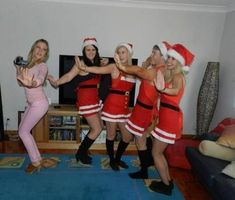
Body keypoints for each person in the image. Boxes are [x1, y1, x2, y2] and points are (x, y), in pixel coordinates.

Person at [115, 41, 172, 179]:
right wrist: (149, 60)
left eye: (154, 53)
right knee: (131, 136)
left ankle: (143, 170)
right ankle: (126, 161)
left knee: (139, 141)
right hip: (143, 109)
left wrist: (121, 65)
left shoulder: (157, 71)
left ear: (162, 56)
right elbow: (144, 67)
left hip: (143, 111)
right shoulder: (160, 68)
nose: (151, 54)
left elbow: (139, 71)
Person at [75, 43, 136, 171]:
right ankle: (112, 160)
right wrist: (84, 68)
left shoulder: (133, 68)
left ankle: (118, 159)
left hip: (124, 108)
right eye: (118, 52)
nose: (120, 54)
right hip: (112, 106)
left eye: (123, 52)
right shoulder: (113, 66)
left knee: (127, 136)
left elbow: (146, 75)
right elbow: (98, 70)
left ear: (129, 54)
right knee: (111, 135)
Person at [48, 37, 107, 165]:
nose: (91, 52)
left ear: (96, 51)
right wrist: (57, 82)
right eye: (88, 49)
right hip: (86, 100)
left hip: (95, 99)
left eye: (93, 49)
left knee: (100, 126)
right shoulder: (81, 63)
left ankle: (83, 151)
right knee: (96, 129)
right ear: (84, 51)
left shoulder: (97, 63)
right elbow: (69, 76)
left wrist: (105, 63)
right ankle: (80, 152)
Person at [149, 43, 195, 195]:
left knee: (156, 153)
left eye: (173, 59)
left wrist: (163, 89)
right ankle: (167, 180)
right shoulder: (170, 74)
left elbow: (175, 91)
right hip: (166, 117)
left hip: (170, 119)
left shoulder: (178, 76)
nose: (169, 61)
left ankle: (166, 186)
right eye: (168, 57)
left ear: (180, 63)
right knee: (159, 152)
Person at [16, 39, 58, 173]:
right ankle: (37, 159)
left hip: (40, 104)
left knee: (23, 132)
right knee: (24, 131)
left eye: (44, 49)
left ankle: (35, 162)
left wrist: (32, 82)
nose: (40, 51)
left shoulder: (42, 66)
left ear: (46, 54)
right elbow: (21, 83)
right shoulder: (28, 65)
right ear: (33, 49)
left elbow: (39, 80)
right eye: (38, 47)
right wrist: (18, 70)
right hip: (31, 104)